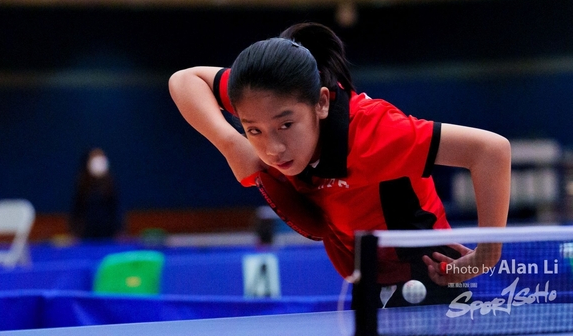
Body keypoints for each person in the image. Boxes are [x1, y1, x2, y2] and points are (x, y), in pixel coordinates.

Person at [168, 22, 511, 306]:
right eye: (254, 129)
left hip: (425, 277)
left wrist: (486, 255)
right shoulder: (263, 96)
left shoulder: (376, 133)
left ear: (321, 102)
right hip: (365, 275)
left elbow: (490, 151)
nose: (271, 147)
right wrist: (232, 143)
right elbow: (184, 80)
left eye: (285, 126)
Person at [70, 148, 122, 240]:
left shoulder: (111, 184)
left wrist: (119, 230)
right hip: (87, 234)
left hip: (108, 233)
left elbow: (116, 209)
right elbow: (77, 210)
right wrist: (75, 232)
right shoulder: (82, 184)